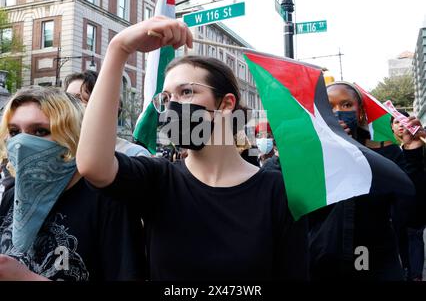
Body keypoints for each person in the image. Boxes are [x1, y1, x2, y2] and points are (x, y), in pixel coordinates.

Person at [76, 16, 309, 280]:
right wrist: (119, 49)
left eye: (186, 92)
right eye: (166, 98)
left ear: (225, 104)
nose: (172, 105)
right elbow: (93, 165)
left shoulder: (277, 191)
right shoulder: (160, 179)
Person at [0, 87, 145, 281]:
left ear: (73, 135)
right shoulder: (12, 196)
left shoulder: (109, 201)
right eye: (14, 131)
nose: (21, 143)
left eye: (41, 131)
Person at [309, 81, 421, 280]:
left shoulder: (386, 154)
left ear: (360, 112)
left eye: (346, 105)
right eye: (329, 106)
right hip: (323, 267)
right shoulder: (310, 158)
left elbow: (412, 216)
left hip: (377, 265)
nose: (337, 112)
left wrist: (413, 153)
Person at [64, 70, 150, 157]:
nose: (68, 104)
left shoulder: (135, 154)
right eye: (66, 98)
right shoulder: (56, 148)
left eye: (78, 99)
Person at [391, 111, 426, 281]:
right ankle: (406, 269)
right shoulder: (389, 151)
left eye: (403, 121)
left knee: (415, 238)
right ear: (391, 127)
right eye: (396, 122)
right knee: (401, 241)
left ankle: (416, 276)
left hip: (417, 206)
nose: (400, 126)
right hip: (398, 210)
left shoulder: (420, 143)